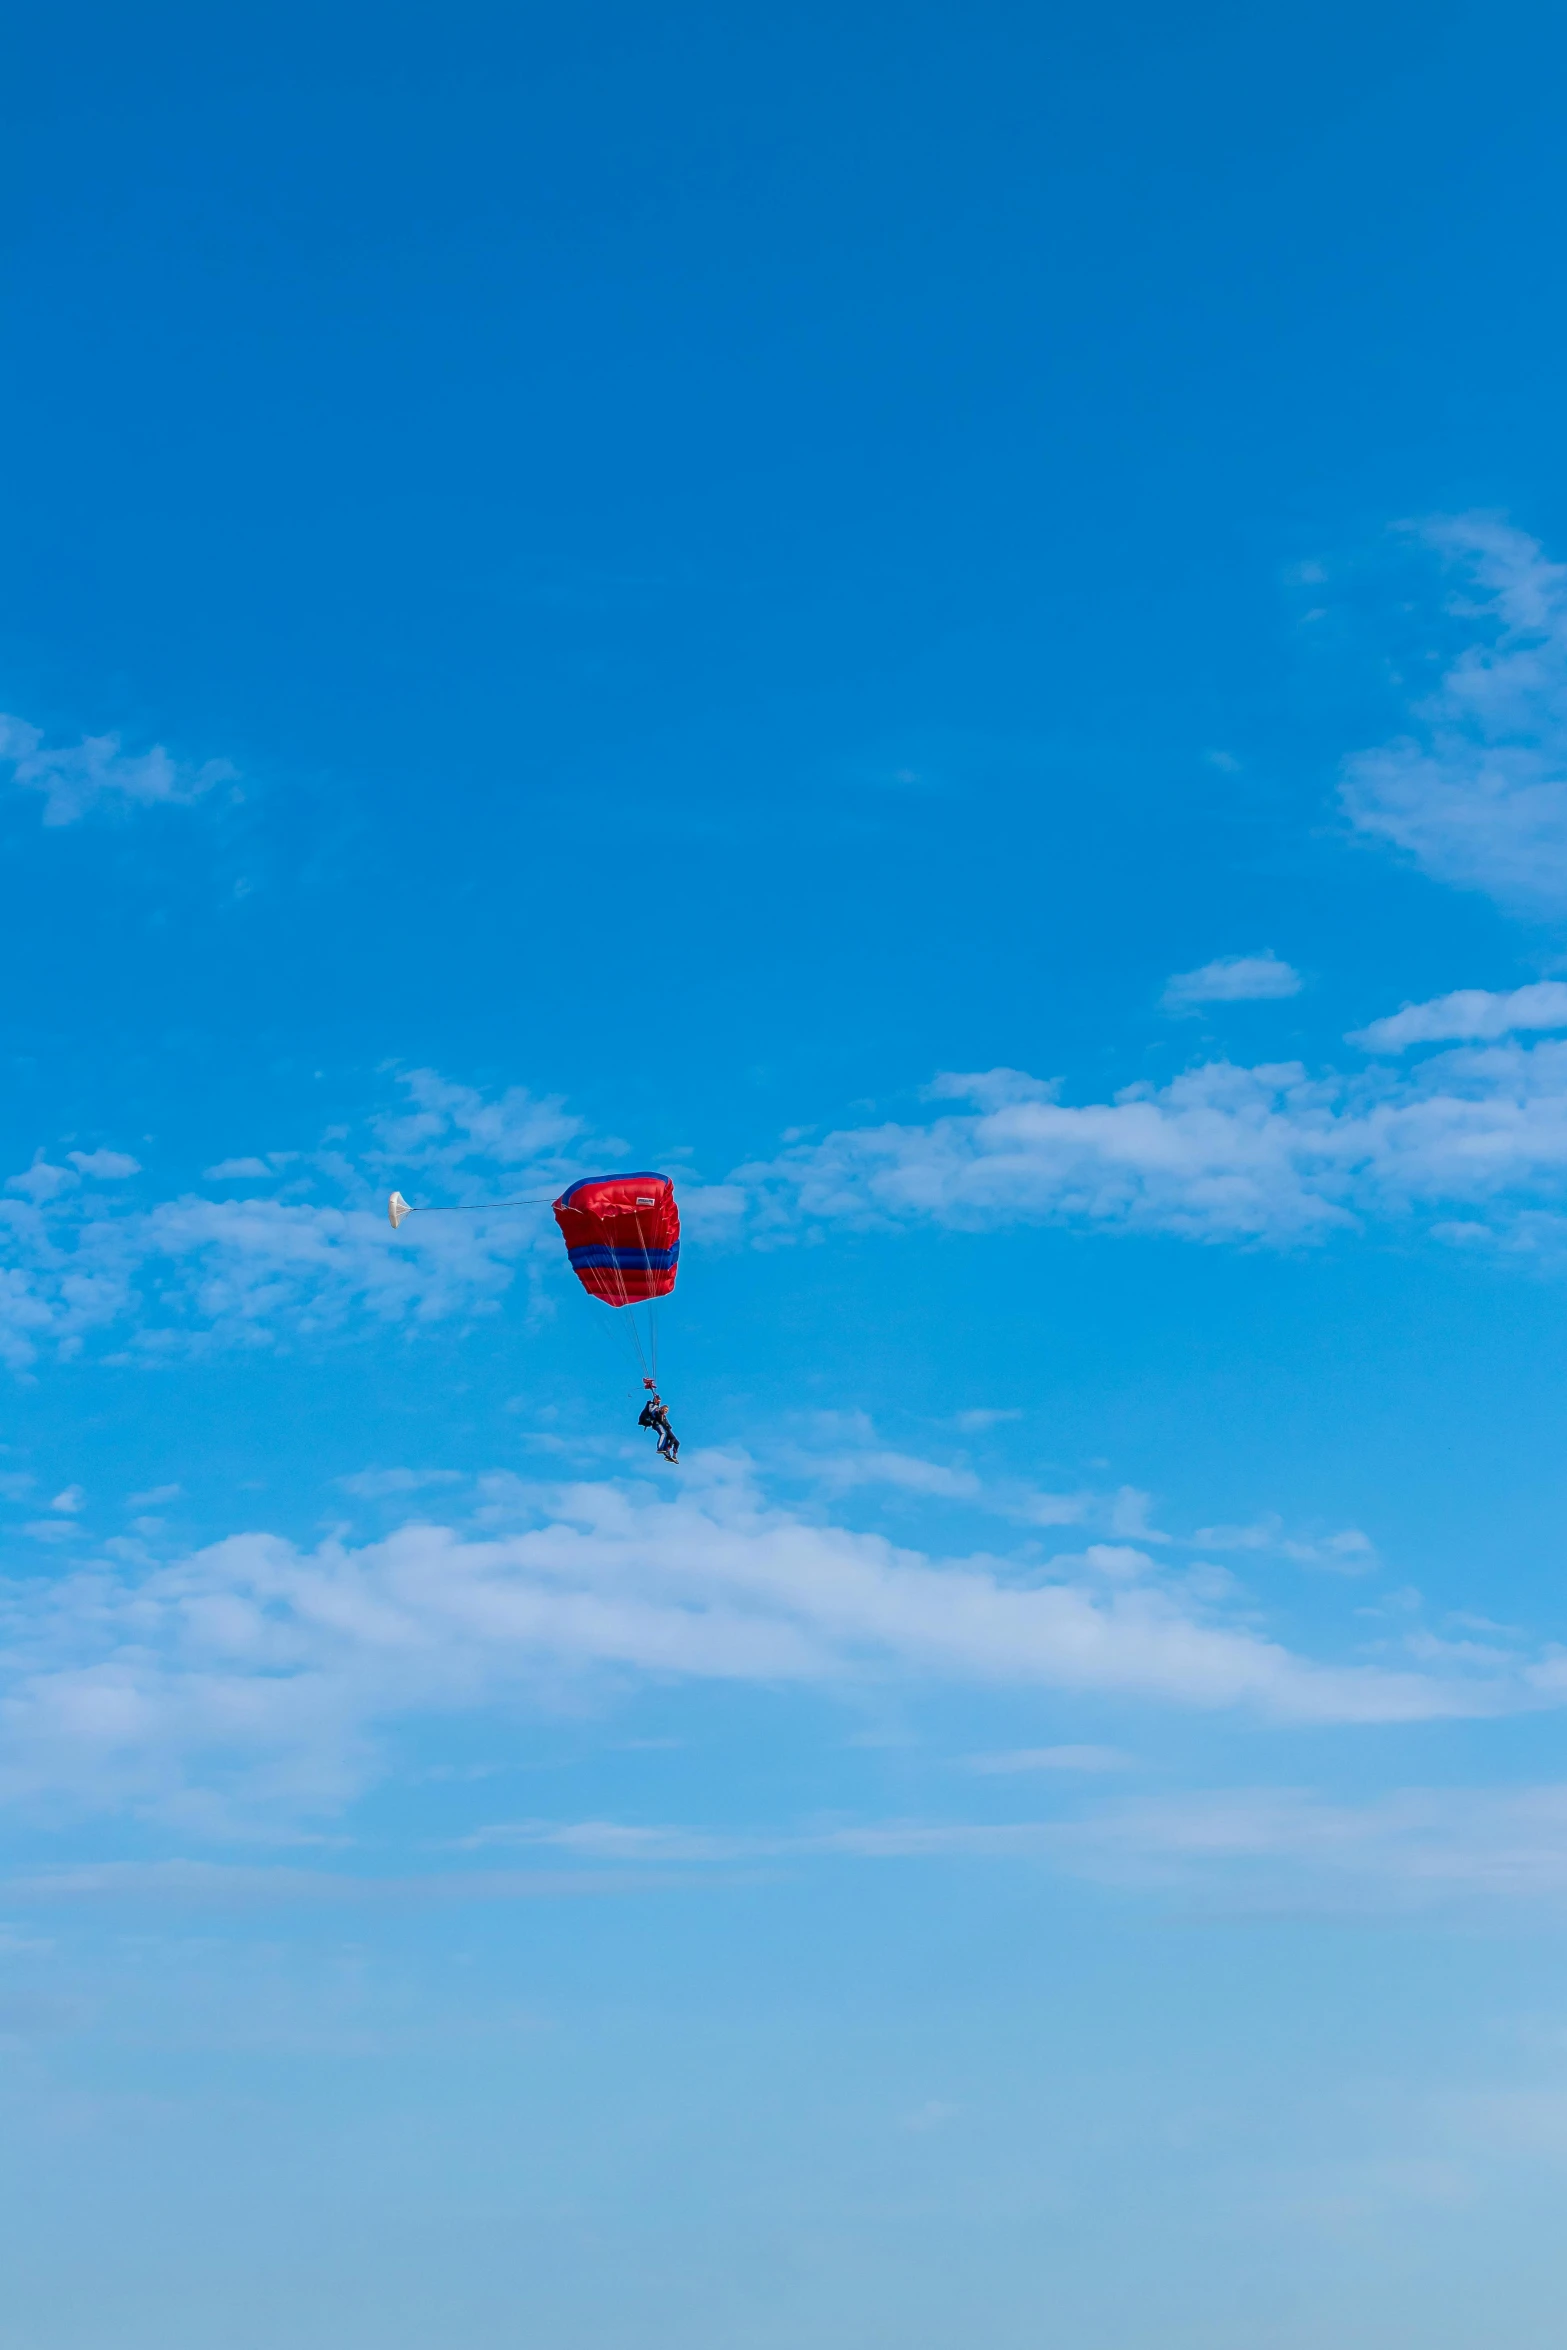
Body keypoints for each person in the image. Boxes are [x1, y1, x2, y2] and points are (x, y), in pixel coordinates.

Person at [637, 1385, 680, 1464]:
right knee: (663, 1433)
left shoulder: (657, 1407)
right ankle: (660, 1448)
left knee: (667, 1436)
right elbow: (654, 1412)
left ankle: (667, 1453)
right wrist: (656, 1400)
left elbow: (658, 1409)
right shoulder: (652, 1406)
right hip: (655, 1423)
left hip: (659, 1423)